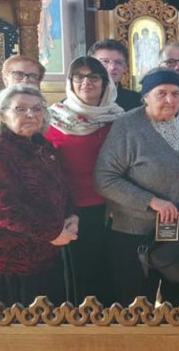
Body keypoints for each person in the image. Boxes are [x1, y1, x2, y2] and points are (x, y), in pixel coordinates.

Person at [94, 67, 179, 304]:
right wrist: (151, 202)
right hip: (133, 233)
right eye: (161, 93)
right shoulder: (127, 126)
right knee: (135, 304)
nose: (170, 100)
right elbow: (104, 179)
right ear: (145, 96)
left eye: (175, 93)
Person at [0, 85, 78, 305]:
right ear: (2, 115)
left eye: (37, 109)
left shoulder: (39, 145)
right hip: (5, 262)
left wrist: (71, 214)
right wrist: (53, 233)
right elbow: (3, 209)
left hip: (42, 254)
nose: (31, 114)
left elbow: (60, 186)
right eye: (20, 109)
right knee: (13, 333)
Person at [42, 55, 124, 302]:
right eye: (78, 76)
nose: (85, 82)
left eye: (93, 76)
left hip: (114, 208)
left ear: (105, 82)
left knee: (111, 275)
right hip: (70, 211)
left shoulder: (120, 119)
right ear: (70, 81)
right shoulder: (52, 118)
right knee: (79, 277)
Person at [90, 39, 143, 110]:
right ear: (91, 66)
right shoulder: (82, 99)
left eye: (118, 62)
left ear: (125, 68)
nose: (112, 67)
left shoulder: (137, 101)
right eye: (105, 61)